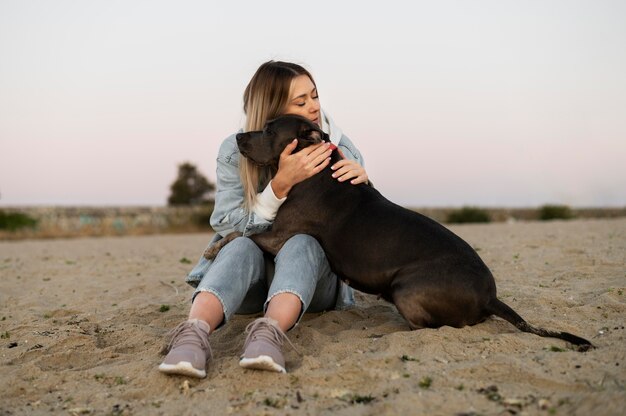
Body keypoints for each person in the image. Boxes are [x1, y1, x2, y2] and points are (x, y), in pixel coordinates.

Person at [159, 60, 369, 378]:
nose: (314, 107)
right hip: (248, 287)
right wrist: (279, 186)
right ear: (273, 109)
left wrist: (363, 185)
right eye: (301, 102)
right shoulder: (234, 150)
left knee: (303, 242)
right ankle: (193, 334)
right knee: (239, 246)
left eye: (314, 95)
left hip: (312, 288)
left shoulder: (336, 147)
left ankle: (269, 334)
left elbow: (356, 227)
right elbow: (227, 223)